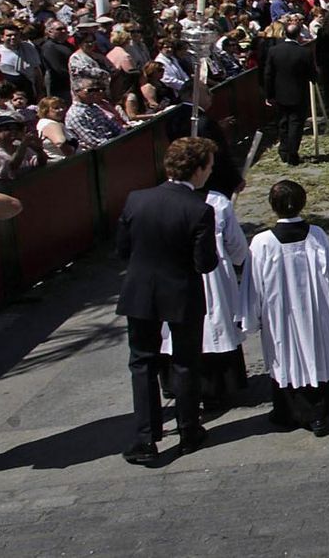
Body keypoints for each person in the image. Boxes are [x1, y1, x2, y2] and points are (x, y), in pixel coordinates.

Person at [114, 137, 219, 466]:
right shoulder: (199, 209)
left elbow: (122, 250)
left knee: (142, 362)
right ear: (199, 170)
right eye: (209, 167)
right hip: (181, 292)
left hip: (141, 290)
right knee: (186, 361)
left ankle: (145, 438)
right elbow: (205, 263)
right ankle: (189, 429)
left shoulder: (136, 200)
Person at [238, 180, 329, 435]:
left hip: (280, 316)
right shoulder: (317, 235)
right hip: (315, 312)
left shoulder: (262, 243)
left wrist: (252, 316)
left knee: (288, 357)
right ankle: (319, 412)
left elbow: (253, 285)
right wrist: (323, 296)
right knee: (316, 353)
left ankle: (293, 413)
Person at [160, 182, 252, 411]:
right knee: (213, 323)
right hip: (210, 274)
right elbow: (238, 248)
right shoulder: (216, 202)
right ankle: (214, 389)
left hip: (172, 276)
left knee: (177, 332)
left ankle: (175, 383)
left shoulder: (156, 200)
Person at [263, 24, 317, 165]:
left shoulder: (274, 51)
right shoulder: (304, 52)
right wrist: (314, 78)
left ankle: (284, 150)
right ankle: (291, 153)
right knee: (296, 124)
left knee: (283, 123)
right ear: (299, 35)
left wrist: (269, 95)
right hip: (299, 94)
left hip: (280, 94)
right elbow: (313, 74)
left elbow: (268, 75)